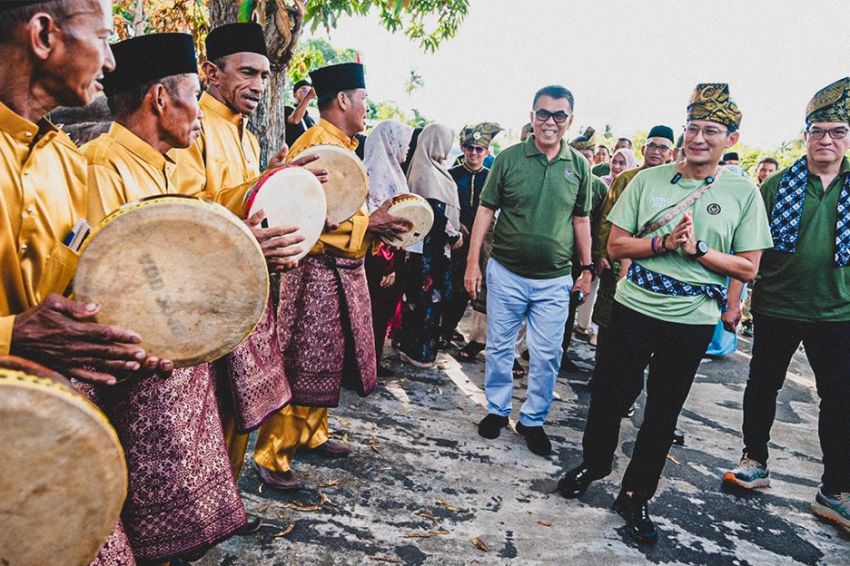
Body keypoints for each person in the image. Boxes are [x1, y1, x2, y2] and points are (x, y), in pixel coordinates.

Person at [557, 83, 772, 545]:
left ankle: (635, 495)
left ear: (730, 139)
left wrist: (699, 251)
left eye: (710, 130)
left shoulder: (743, 193)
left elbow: (748, 265)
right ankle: (594, 464)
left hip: (692, 318)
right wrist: (663, 244)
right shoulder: (646, 181)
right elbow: (615, 245)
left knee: (663, 411)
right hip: (633, 308)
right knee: (610, 395)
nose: (698, 138)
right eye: (692, 128)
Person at [83, 33, 249, 563]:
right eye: (196, 95)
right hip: (128, 370)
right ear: (159, 98)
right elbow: (103, 287)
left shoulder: (177, 167)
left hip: (175, 363)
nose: (202, 113)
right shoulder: (98, 168)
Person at [0, 2, 148, 563]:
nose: (112, 61)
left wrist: (136, 336)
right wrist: (11, 337)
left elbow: (82, 288)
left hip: (47, 444)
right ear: (43, 34)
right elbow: (29, 330)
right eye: (105, 38)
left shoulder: (68, 163)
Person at [173, 22, 319, 535]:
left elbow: (247, 203)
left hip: (243, 292)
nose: (259, 84)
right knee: (206, 417)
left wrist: (276, 178)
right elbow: (189, 212)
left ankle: (223, 511)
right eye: (248, 73)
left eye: (265, 74)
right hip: (206, 293)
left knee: (236, 413)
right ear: (210, 73)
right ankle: (196, 523)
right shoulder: (195, 127)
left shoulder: (242, 130)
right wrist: (259, 186)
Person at [252, 62, 410, 490]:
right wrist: (368, 226)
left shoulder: (343, 143)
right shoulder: (317, 145)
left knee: (327, 358)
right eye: (363, 100)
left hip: (341, 268)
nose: (366, 109)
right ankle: (272, 453)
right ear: (343, 100)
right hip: (313, 271)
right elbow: (306, 215)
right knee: (299, 358)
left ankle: (311, 433)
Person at [721, 78, 850, 532]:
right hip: (777, 306)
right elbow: (746, 249)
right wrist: (734, 303)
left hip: (837, 312)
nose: (826, 140)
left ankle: (835, 489)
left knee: (840, 400)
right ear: (806, 136)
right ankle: (754, 459)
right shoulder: (777, 185)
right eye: (818, 131)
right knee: (762, 387)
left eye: (837, 131)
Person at [466, 84, 593, 457]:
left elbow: (581, 219)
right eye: (542, 113)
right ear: (531, 116)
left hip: (554, 279)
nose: (549, 122)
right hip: (505, 272)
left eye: (558, 115)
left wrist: (585, 268)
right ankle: (497, 409)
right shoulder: (508, 159)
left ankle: (533, 419)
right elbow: (485, 212)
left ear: (569, 121)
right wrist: (473, 263)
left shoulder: (579, 166)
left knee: (547, 352)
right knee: (500, 346)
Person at [592, 126, 675, 354]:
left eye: (663, 147)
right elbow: (607, 219)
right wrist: (600, 254)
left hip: (655, 263)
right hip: (617, 257)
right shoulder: (626, 178)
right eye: (652, 146)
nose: (656, 151)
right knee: (608, 320)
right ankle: (601, 375)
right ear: (643, 148)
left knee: (642, 327)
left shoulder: (676, 183)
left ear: (672, 153)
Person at [397, 124, 463, 367]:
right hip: (428, 251)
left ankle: (407, 345)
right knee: (427, 300)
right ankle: (419, 351)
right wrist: (454, 235)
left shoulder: (430, 169)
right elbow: (434, 215)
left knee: (418, 298)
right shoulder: (426, 173)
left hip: (425, 250)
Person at [440, 122, 502, 349]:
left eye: (479, 149)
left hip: (485, 241)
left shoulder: (492, 177)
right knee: (452, 286)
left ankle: (473, 337)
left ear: (487, 152)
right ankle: (444, 329)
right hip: (456, 239)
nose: (474, 153)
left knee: (477, 289)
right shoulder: (451, 175)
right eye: (470, 148)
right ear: (463, 149)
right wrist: (456, 227)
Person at [363, 120, 415, 376]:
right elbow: (381, 224)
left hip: (388, 255)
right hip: (378, 257)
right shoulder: (377, 175)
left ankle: (371, 362)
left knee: (379, 313)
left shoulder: (391, 171)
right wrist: (388, 266)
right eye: (404, 143)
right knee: (372, 313)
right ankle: (364, 366)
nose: (407, 150)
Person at [284, 78, 316, 148]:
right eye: (304, 90)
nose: (307, 93)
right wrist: (307, 98)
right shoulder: (288, 109)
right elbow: (294, 120)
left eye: (309, 91)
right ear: (295, 94)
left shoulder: (311, 120)